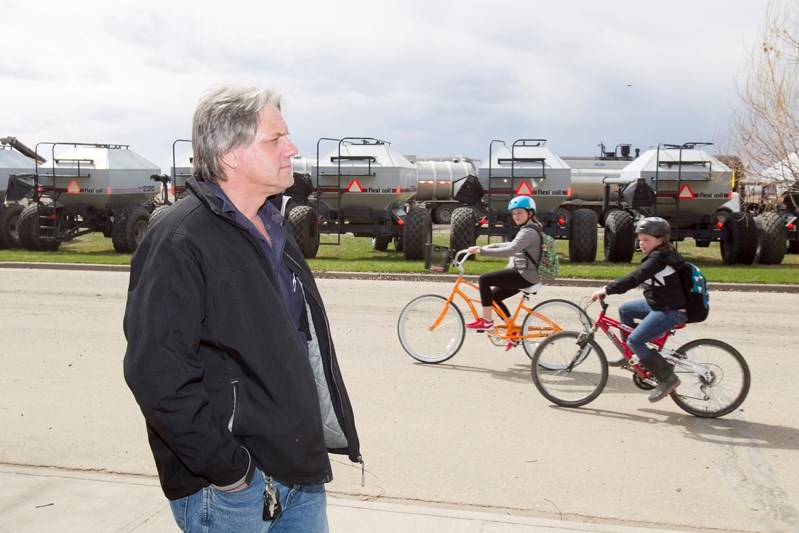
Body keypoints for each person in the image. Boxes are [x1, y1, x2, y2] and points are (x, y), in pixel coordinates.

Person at [123, 85, 361, 532]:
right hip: (230, 486)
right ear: (230, 154)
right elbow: (157, 373)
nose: (291, 148)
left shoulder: (274, 225)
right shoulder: (179, 239)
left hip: (299, 474)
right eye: (275, 139)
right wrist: (231, 472)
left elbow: (295, 342)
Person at [590, 216, 685, 402]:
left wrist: (607, 289)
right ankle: (631, 356)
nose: (641, 244)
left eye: (646, 240)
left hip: (671, 309)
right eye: (640, 240)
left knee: (636, 340)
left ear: (660, 240)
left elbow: (635, 278)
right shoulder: (660, 255)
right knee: (626, 309)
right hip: (661, 302)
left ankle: (668, 378)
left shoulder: (659, 258)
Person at [465, 196, 543, 349]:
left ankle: (487, 320)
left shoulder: (528, 231)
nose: (516, 216)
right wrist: (491, 246)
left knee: (484, 280)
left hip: (524, 275)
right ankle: (512, 330)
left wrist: (482, 251)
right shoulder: (530, 228)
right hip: (524, 273)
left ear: (530, 213)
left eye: (519, 212)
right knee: (493, 297)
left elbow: (511, 250)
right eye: (514, 213)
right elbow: (513, 244)